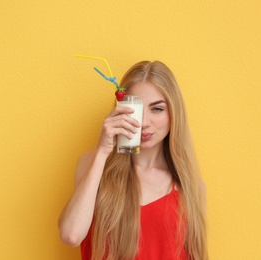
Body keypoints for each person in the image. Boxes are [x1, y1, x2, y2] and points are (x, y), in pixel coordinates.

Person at [58, 61, 208, 260]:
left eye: (157, 109)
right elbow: (71, 235)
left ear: (174, 113)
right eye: (135, 108)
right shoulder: (93, 164)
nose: (144, 123)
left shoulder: (190, 186)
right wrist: (103, 152)